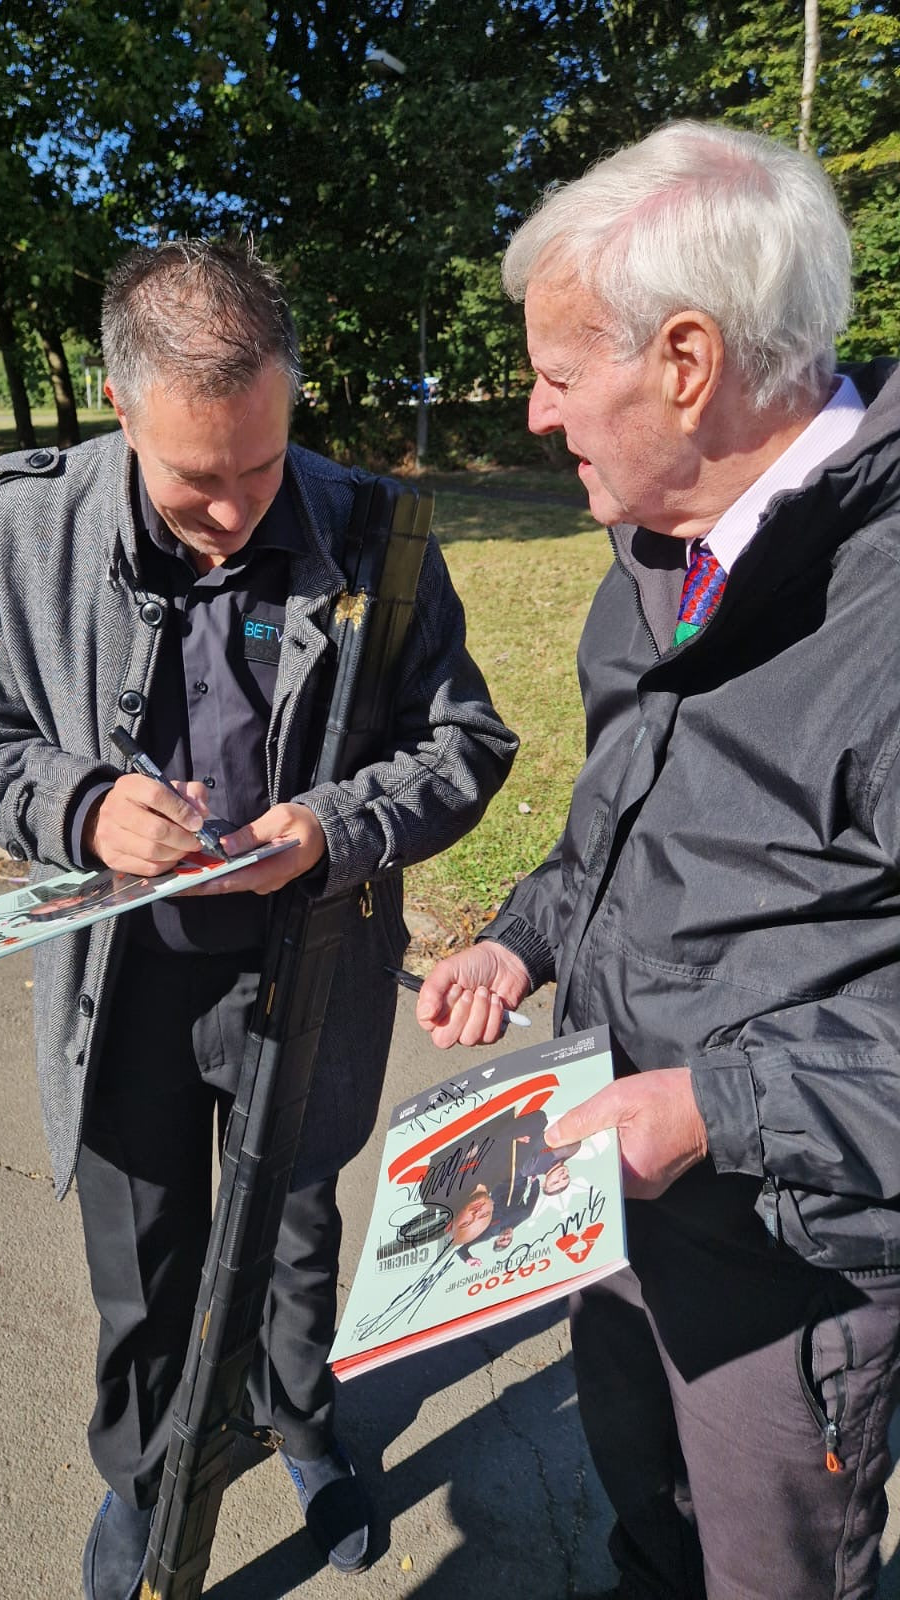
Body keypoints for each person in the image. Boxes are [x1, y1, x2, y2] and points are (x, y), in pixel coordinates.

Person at [0, 237, 516, 1598]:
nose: (242, 512)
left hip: (309, 969)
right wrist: (80, 809)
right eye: (201, 480)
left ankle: (299, 1425)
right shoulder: (22, 531)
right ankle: (148, 1479)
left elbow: (464, 745)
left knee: (296, 1233)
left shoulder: (375, 527)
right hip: (122, 980)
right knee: (143, 1265)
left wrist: (324, 828)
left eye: (265, 467)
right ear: (119, 406)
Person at [415, 121, 900, 1600]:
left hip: (789, 1250)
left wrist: (720, 1105)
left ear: (686, 362)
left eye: (560, 374)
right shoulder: (661, 543)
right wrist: (527, 936)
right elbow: (625, 824)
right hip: (612, 1171)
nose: (536, 413)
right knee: (647, 1528)